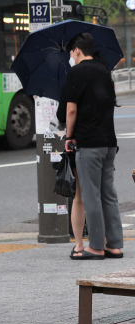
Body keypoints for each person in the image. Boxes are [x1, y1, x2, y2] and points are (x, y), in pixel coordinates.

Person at [63, 32, 123, 260]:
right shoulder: (104, 70)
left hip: (88, 142)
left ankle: (96, 246)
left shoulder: (76, 72)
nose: (71, 56)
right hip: (109, 142)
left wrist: (69, 136)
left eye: (71, 53)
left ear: (76, 50)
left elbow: (71, 110)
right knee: (108, 193)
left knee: (90, 195)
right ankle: (114, 245)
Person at [57, 86, 87, 258]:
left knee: (79, 197)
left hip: (80, 141)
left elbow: (67, 112)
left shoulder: (74, 78)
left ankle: (79, 244)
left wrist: (68, 136)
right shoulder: (104, 74)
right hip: (104, 141)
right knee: (101, 195)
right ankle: (106, 241)